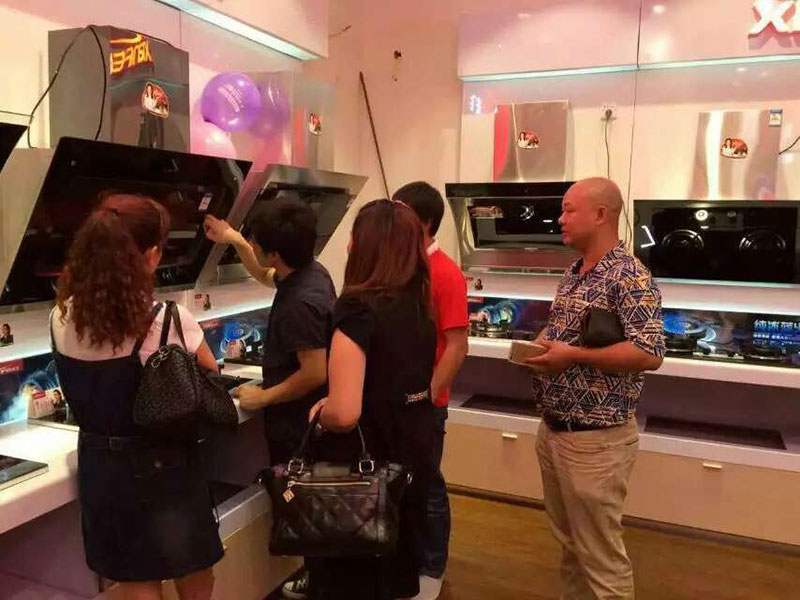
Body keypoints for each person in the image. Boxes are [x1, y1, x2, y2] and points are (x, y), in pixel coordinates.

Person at [50, 195, 223, 600]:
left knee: (135, 579)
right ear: (150, 256)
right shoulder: (168, 319)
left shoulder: (60, 316)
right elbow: (211, 378)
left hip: (102, 468)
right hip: (165, 466)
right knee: (193, 570)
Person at [524, 178, 664, 600]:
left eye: (569, 210)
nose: (560, 219)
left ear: (601, 214)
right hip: (555, 432)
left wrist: (572, 356)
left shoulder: (630, 275)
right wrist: (541, 347)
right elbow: (563, 331)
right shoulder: (574, 272)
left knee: (602, 559)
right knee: (572, 547)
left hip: (596, 442)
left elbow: (649, 351)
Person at [306, 199, 437, 600]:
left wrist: (320, 412)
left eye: (353, 235)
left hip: (364, 474)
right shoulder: (418, 304)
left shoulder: (357, 309)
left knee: (354, 580)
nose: (347, 244)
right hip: (409, 459)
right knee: (391, 572)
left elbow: (345, 412)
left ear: (367, 245)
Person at [204, 200, 335, 600]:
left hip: (300, 425)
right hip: (304, 420)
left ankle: (321, 584)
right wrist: (233, 238)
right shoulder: (310, 273)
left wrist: (263, 397)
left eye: (257, 241)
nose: (255, 245)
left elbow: (315, 371)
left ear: (276, 252)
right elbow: (264, 274)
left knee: (308, 508)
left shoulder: (299, 303)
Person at [392, 182, 468, 599]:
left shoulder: (445, 273)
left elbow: (457, 345)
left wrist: (428, 396)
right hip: (396, 402)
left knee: (428, 487)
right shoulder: (397, 268)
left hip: (425, 405)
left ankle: (431, 566)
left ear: (424, 222)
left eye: (400, 212)